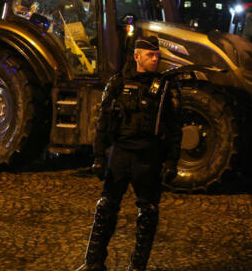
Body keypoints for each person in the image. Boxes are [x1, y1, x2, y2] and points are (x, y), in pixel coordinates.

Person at [76, 35, 181, 271]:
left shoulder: (165, 88)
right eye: (150, 55)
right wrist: (99, 156)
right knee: (105, 207)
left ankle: (137, 267)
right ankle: (93, 262)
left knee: (148, 213)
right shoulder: (117, 83)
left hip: (148, 157)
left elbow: (175, 127)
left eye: (157, 56)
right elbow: (103, 121)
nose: (155, 59)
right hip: (120, 154)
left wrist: (172, 160)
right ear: (137, 57)